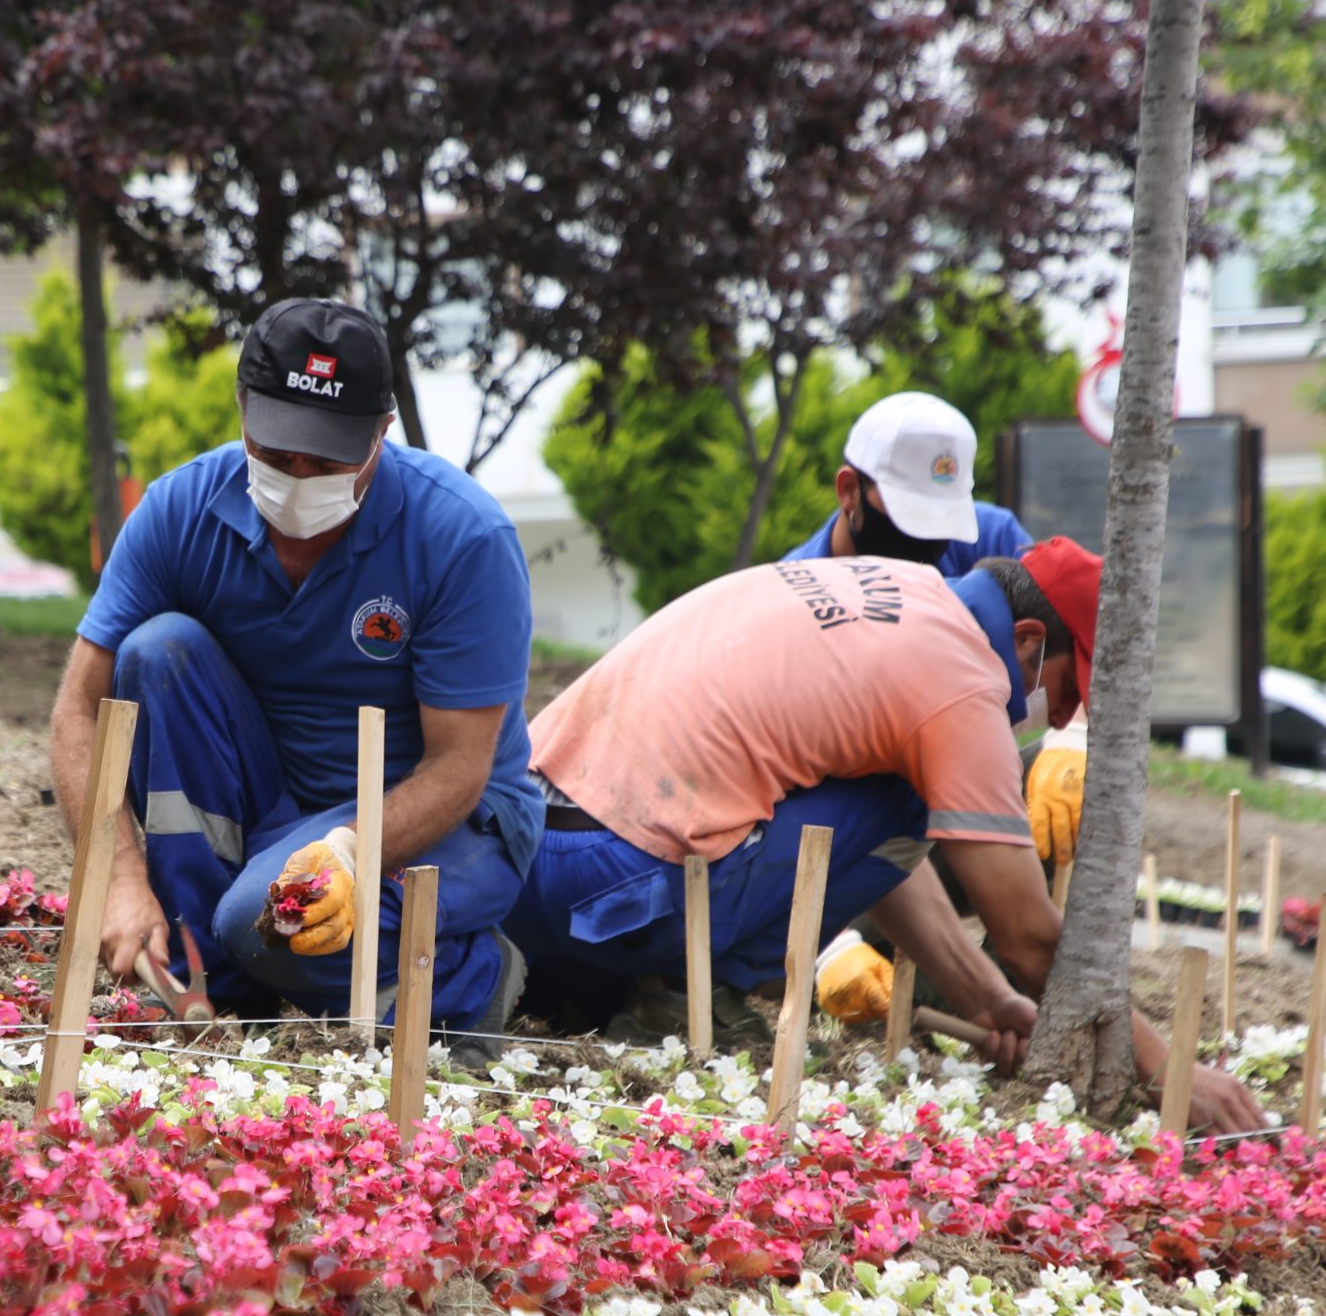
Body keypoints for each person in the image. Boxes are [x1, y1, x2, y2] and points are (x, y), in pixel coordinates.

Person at [506, 541, 1265, 1133]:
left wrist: (986, 999)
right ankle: (678, 994)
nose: (1056, 717)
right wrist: (1167, 1066)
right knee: (911, 794)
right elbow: (1029, 936)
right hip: (614, 882)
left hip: (527, 853)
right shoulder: (961, 676)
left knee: (892, 786)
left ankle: (616, 979)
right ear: (1028, 640)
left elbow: (867, 837)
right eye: (1063, 690)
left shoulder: (897, 588)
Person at [49, 298, 540, 1045]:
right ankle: (217, 978)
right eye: (278, 453)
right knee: (157, 650)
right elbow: (79, 710)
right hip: (280, 799)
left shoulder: (462, 538)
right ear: (243, 409)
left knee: (268, 920)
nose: (301, 476)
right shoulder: (180, 511)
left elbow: (460, 766)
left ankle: (471, 982)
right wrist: (118, 879)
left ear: (382, 432)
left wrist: (348, 848)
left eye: (329, 457)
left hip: (447, 821)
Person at [785, 390, 1084, 883]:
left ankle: (1003, 957)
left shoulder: (987, 537)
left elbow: (1080, 630)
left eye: (939, 523)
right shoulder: (794, 598)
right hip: (857, 862)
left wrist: (1073, 739)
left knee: (1085, 786)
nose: (926, 545)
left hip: (968, 814)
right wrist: (835, 946)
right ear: (848, 491)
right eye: (909, 519)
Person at [782, 391, 1034, 576]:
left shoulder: (995, 541)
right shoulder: (790, 595)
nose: (927, 538)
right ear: (849, 489)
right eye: (909, 512)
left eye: (945, 516)